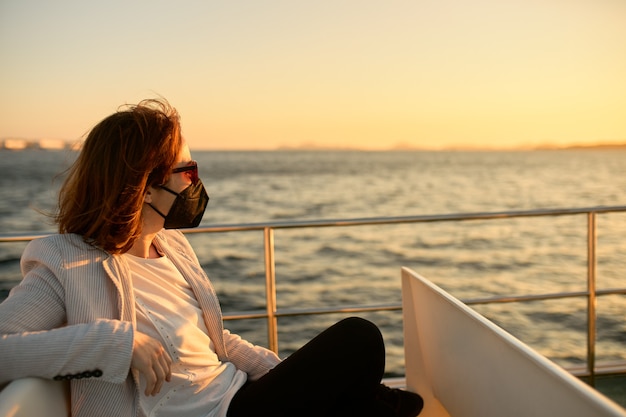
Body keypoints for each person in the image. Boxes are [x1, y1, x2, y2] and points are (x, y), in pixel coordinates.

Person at [0, 98, 423, 417]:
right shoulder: (65, 262)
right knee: (359, 337)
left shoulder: (173, 247)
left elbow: (214, 345)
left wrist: (282, 370)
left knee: (352, 360)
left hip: (236, 397)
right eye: (188, 171)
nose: (196, 183)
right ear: (144, 187)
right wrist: (116, 343)